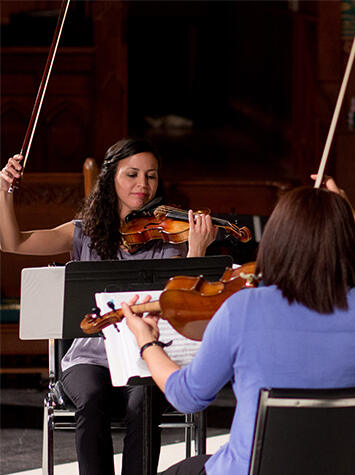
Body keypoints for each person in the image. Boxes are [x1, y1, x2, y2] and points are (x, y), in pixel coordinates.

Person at [121, 177, 355, 475]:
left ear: (277, 240)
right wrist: (348, 214)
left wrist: (147, 342)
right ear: (346, 244)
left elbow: (187, 396)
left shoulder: (242, 310)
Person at [0, 138, 217, 475]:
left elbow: (180, 305)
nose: (143, 185)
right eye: (132, 174)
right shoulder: (81, 233)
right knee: (91, 398)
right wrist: (4, 190)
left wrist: (196, 252)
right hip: (89, 356)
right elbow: (13, 242)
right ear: (111, 178)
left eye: (151, 176)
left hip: (144, 354)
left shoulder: (166, 240)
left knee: (143, 401)